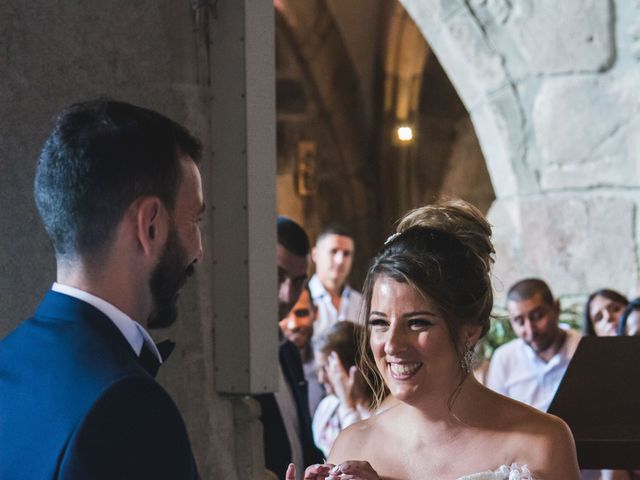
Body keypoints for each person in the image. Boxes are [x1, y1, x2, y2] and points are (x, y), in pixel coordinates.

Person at [289, 200, 580, 480]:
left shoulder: (542, 442)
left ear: (471, 329)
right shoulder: (352, 445)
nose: (392, 345)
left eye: (417, 323)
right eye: (380, 323)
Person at [0, 99, 203, 479]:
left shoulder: (7, 361)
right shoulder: (127, 408)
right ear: (150, 225)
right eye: (194, 219)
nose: (199, 250)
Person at [254, 217, 323, 480]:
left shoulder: (289, 353)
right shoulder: (235, 356)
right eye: (277, 276)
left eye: (298, 282)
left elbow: (301, 439)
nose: (287, 295)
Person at [486, 278, 581, 412]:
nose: (530, 330)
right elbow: (496, 415)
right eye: (519, 321)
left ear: (556, 308)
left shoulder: (584, 348)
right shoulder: (504, 358)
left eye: (537, 316)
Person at [312, 321, 374, 458]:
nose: (321, 379)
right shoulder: (328, 406)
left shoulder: (382, 412)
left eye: (327, 369)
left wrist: (347, 404)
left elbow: (356, 456)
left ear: (354, 367)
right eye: (318, 369)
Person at [308, 225, 363, 337]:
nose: (340, 260)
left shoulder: (362, 303)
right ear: (315, 255)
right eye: (333, 251)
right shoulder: (300, 300)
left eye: (346, 254)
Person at [280, 285, 326, 415]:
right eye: (284, 315)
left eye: (301, 313)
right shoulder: (271, 371)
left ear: (315, 312)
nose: (293, 324)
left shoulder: (328, 363)